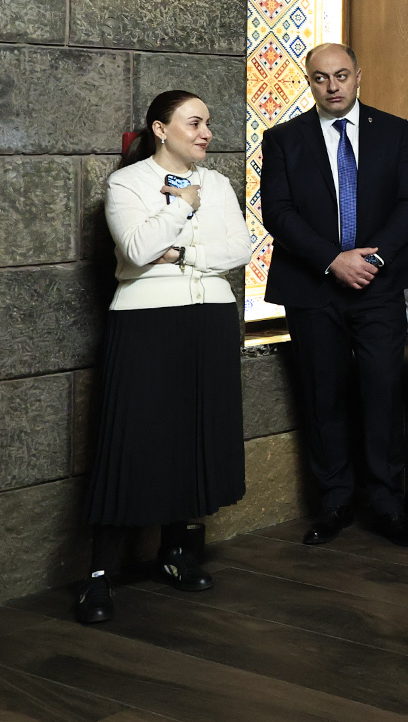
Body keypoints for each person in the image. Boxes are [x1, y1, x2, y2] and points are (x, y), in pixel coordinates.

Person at [78, 91, 253, 624]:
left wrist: (182, 254)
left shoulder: (218, 183)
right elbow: (135, 250)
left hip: (211, 318)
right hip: (146, 321)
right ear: (160, 128)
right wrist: (181, 204)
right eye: (194, 123)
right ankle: (98, 577)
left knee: (193, 434)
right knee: (132, 440)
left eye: (208, 123)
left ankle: (175, 552)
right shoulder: (127, 184)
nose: (206, 133)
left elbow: (241, 249)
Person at [261, 43, 408, 548]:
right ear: (308, 81)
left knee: (382, 391)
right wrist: (334, 259)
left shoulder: (393, 131)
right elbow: (277, 212)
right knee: (323, 395)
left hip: (378, 286)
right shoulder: (283, 139)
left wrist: (371, 261)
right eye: (320, 77)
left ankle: (388, 505)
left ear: (358, 75)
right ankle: (334, 503)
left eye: (340, 75)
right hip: (313, 287)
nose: (332, 86)